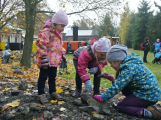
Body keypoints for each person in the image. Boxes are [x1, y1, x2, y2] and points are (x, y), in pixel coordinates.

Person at [93, 45, 161, 120]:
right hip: (150, 93)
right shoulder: (131, 63)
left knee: (121, 106)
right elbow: (123, 81)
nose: (110, 65)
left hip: (148, 96)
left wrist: (103, 97)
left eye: (111, 63)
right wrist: (113, 79)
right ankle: (144, 104)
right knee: (124, 87)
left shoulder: (128, 68)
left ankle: (150, 113)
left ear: (118, 61)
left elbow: (117, 86)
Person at [36, 10, 68, 104]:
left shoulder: (59, 34)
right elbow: (41, 45)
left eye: (64, 27)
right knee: (43, 77)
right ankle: (41, 94)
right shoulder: (46, 32)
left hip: (54, 61)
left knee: (53, 77)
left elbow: (59, 46)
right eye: (62, 26)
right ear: (55, 23)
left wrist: (63, 54)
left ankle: (52, 92)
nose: (63, 29)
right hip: (45, 60)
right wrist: (43, 57)